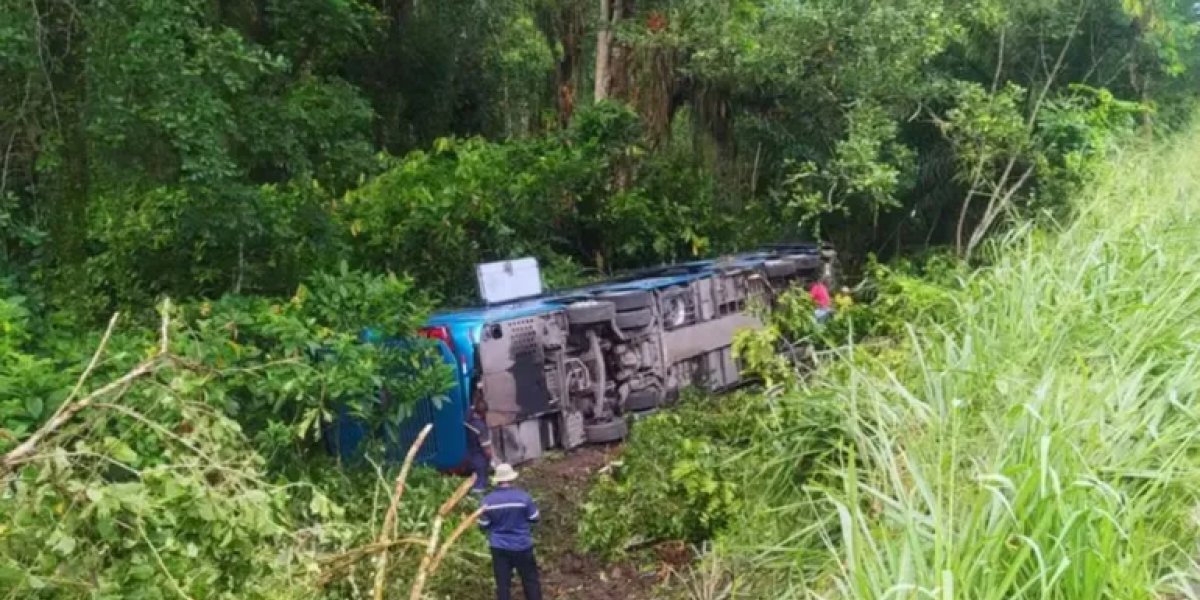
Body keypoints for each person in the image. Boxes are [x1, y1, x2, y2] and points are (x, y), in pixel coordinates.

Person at [479, 463, 543, 600]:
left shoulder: (487, 501)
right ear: (512, 478)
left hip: (499, 547)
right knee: (530, 580)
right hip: (522, 545)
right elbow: (535, 518)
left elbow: (483, 525)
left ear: (497, 481)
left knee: (503, 584)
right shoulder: (523, 498)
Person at [464, 387, 493, 494]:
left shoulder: (466, 419)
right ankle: (478, 494)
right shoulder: (481, 427)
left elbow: (472, 408)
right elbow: (487, 450)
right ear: (484, 413)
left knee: (470, 480)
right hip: (478, 459)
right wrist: (492, 460)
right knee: (480, 481)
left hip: (465, 456)